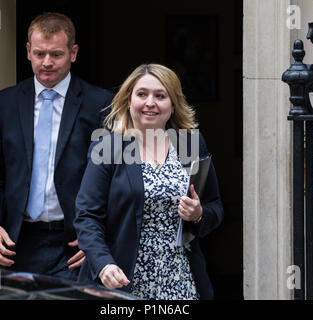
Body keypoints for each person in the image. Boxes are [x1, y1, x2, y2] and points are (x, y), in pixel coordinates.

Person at [0, 12, 113, 280]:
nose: (47, 63)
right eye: (39, 54)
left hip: (75, 245)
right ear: (28, 51)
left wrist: (97, 238)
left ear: (73, 53)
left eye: (56, 54)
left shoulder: (100, 104)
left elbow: (112, 179)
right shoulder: (6, 103)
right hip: (17, 243)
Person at [73, 64, 224, 299]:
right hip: (122, 281)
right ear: (129, 100)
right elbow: (87, 216)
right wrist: (103, 265)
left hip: (179, 281)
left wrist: (198, 214)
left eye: (160, 96)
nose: (150, 102)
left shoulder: (190, 144)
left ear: (173, 104)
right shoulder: (107, 147)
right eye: (141, 94)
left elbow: (215, 207)